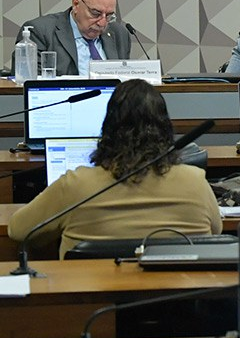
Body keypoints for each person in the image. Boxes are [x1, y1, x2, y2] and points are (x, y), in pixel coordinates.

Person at [8, 79, 221, 258]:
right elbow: (215, 230)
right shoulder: (195, 181)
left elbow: (18, 230)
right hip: (179, 302)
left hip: (92, 302)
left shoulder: (76, 184)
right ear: (166, 128)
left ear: (108, 128)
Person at [12, 0, 131, 76]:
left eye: (109, 15)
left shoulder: (120, 34)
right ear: (76, 4)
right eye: (95, 13)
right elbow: (29, 88)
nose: (102, 23)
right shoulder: (40, 33)